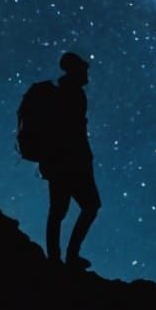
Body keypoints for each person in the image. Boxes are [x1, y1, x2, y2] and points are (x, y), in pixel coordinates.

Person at [40, 51, 101, 270]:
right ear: (76, 70)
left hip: (58, 161)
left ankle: (56, 258)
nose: (87, 75)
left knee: (59, 210)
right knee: (89, 205)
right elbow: (72, 131)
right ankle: (68, 257)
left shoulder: (62, 92)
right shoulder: (72, 94)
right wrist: (83, 158)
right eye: (84, 69)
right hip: (71, 161)